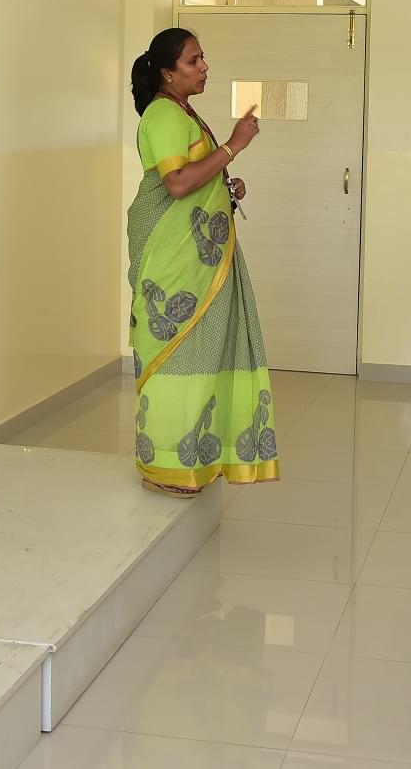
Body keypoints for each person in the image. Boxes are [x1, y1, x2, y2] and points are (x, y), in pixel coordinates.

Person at [125, 28, 279, 496]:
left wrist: (224, 186)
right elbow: (175, 184)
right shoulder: (162, 114)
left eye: (203, 58)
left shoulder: (183, 111)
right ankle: (168, 467)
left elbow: (197, 177)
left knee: (206, 355)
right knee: (179, 357)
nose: (204, 67)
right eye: (194, 61)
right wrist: (233, 146)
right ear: (167, 73)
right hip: (175, 263)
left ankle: (198, 456)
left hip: (201, 257)